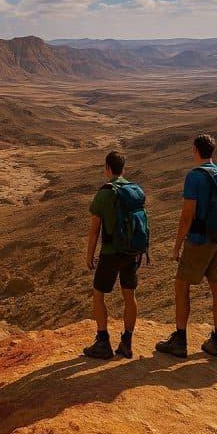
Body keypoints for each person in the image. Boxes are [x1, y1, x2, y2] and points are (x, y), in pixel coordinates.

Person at [155, 134, 217, 358]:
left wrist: (177, 245)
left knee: (181, 285)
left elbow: (187, 215)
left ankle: (180, 339)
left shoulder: (195, 177)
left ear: (195, 150)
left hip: (198, 240)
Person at [83, 151, 140, 359]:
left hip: (110, 253)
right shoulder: (134, 190)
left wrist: (89, 254)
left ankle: (103, 342)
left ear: (107, 167)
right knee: (129, 296)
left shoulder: (104, 193)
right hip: (131, 252)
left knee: (98, 294)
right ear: (123, 168)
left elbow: (94, 229)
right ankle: (127, 341)